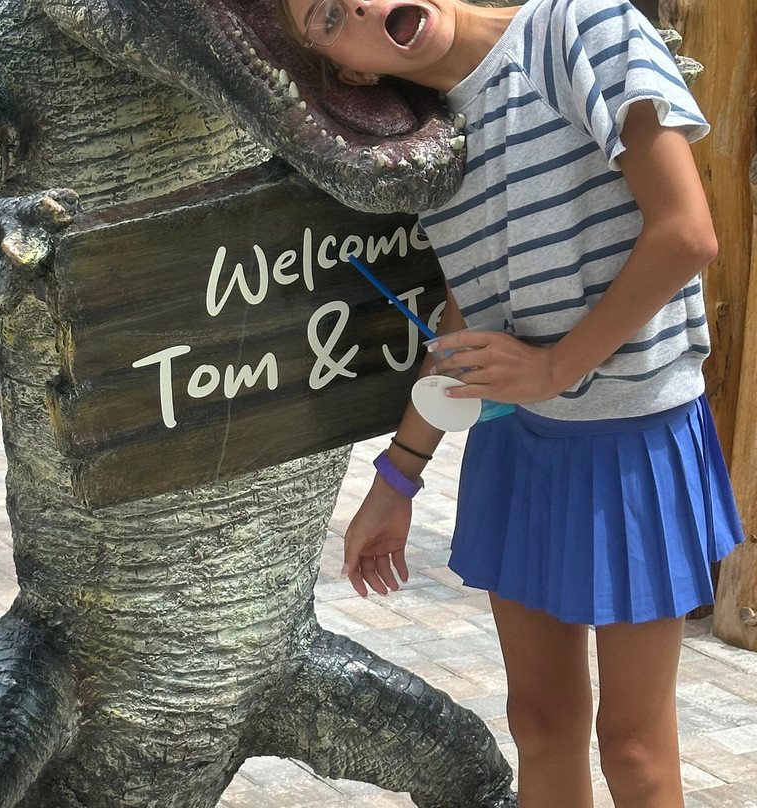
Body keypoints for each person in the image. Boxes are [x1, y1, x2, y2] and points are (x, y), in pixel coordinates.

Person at [274, 1, 746, 807]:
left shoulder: (581, 29)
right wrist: (398, 475)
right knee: (540, 724)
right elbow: (472, 310)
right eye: (325, 16)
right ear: (351, 66)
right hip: (519, 444)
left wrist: (556, 368)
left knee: (634, 751)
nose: (352, 2)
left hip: (635, 437)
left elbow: (687, 234)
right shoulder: (427, 139)